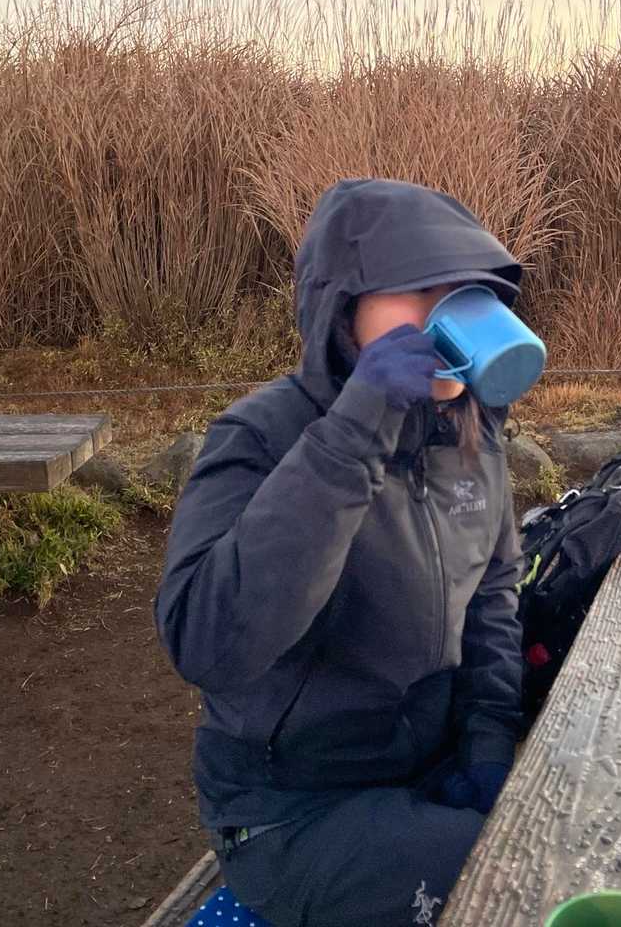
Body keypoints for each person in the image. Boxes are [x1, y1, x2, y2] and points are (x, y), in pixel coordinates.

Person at [154, 178, 526, 927]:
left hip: (425, 770)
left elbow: (492, 596)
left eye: (466, 295)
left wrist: (488, 743)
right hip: (291, 808)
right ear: (342, 310)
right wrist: (359, 425)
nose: (446, 317)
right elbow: (206, 641)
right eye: (420, 294)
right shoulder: (263, 435)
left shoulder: (470, 440)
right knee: (510, 885)